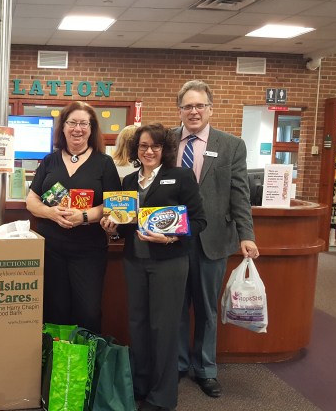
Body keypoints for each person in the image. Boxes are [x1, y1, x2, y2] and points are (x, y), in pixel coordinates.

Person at [101, 123, 206, 411]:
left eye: (155, 146)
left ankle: (162, 396)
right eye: (143, 146)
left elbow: (199, 221)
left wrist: (171, 236)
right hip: (135, 261)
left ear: (165, 149)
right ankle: (141, 384)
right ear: (136, 149)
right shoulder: (129, 181)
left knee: (164, 327)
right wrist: (112, 227)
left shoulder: (181, 177)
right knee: (138, 324)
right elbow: (125, 228)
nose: (149, 151)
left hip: (169, 263)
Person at [174, 80, 260, 398]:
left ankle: (206, 369)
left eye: (200, 105)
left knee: (207, 308)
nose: (194, 111)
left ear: (210, 108)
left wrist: (246, 235)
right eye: (187, 106)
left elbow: (240, 195)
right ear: (179, 109)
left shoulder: (231, 145)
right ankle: (180, 363)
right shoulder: (166, 141)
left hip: (213, 239)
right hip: (172, 239)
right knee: (176, 305)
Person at [25, 101, 121, 333]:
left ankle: (85, 367)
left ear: (92, 128)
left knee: (87, 311)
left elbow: (114, 204)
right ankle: (58, 366)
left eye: (83, 123)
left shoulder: (104, 163)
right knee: (55, 310)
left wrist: (85, 216)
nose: (77, 129)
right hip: (52, 249)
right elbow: (31, 201)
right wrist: (51, 213)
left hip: (88, 250)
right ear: (63, 127)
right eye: (72, 123)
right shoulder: (50, 161)